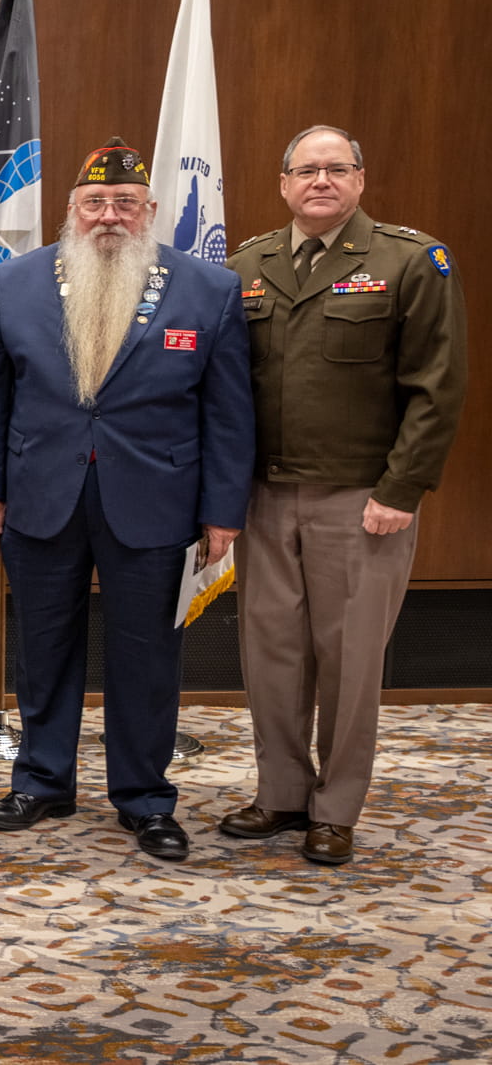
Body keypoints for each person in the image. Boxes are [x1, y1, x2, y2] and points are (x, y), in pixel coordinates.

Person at [0, 139, 253, 861]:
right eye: (94, 203)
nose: (109, 215)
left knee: (148, 657)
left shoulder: (209, 289)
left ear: (149, 210)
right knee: (43, 649)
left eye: (125, 203)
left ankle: (145, 797)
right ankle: (42, 781)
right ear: (72, 210)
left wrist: (223, 512)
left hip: (157, 501)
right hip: (41, 497)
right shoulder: (15, 282)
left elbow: (228, 414)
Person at [223, 125, 467, 866]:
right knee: (271, 653)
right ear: (284, 184)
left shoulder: (410, 261)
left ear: (360, 179)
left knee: (350, 659)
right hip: (265, 495)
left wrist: (402, 488)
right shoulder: (247, 266)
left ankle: (335, 808)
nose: (320, 181)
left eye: (336, 168)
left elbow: (437, 388)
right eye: (306, 170)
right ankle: (282, 792)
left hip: (363, 498)